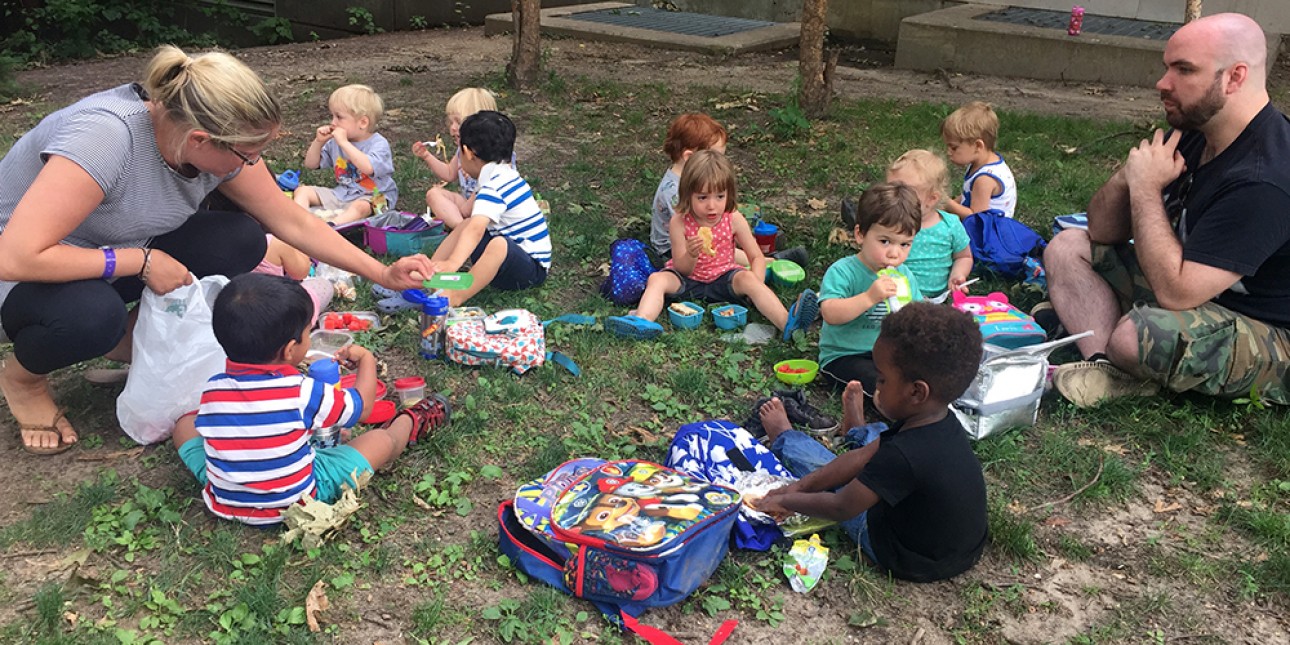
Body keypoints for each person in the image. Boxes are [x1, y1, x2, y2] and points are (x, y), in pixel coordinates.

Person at [0, 45, 432, 455]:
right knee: (92, 316)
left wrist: (381, 273)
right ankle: (25, 380)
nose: (251, 165)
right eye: (248, 155)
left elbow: (290, 219)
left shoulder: (202, 140)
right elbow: (16, 256)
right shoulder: (105, 137)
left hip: (114, 248)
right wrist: (141, 261)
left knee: (238, 238)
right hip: (26, 273)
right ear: (201, 140)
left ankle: (136, 343)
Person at [1044, 13, 1290, 408]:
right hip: (1198, 293)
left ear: (1235, 77)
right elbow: (1101, 231)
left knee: (1138, 333)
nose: (1163, 83)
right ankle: (1106, 366)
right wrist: (1129, 176)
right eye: (1166, 67)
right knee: (1067, 247)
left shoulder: (1266, 179)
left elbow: (1176, 293)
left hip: (1270, 330)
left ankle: (1113, 340)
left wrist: (1145, 189)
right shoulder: (1198, 132)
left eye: (1184, 70)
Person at [171, 273, 450, 526]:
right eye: (308, 332)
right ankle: (410, 421)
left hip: (227, 502)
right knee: (380, 441)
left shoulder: (213, 389)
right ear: (291, 349)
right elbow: (363, 407)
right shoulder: (301, 391)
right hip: (297, 500)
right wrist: (367, 359)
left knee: (185, 426)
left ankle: (235, 479)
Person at [752, 302, 988, 582]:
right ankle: (857, 429)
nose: (875, 387)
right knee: (873, 444)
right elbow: (862, 457)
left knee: (825, 466)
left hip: (907, 556)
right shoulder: (936, 420)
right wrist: (799, 486)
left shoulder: (903, 455)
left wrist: (787, 499)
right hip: (958, 547)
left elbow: (842, 506)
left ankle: (786, 439)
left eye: (882, 380)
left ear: (916, 392)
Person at [606, 150, 818, 341]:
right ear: (688, 194)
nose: (712, 205)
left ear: (729, 194)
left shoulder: (733, 218)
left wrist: (756, 282)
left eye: (720, 196)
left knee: (748, 279)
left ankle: (788, 325)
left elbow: (756, 257)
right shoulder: (680, 221)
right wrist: (691, 253)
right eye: (702, 197)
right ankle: (642, 322)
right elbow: (681, 267)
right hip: (687, 280)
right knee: (657, 279)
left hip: (724, 277)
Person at [425, 111, 550, 307]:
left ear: (467, 152)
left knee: (498, 244)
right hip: (510, 262)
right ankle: (428, 274)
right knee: (466, 225)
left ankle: (456, 296)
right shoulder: (501, 174)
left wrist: (453, 263)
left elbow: (476, 229)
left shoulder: (494, 186)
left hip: (530, 271)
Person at [651, 113, 806, 266]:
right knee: (722, 245)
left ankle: (756, 246)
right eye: (714, 156)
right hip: (675, 250)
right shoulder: (674, 192)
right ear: (689, 157)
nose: (720, 163)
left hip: (700, 231)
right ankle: (770, 261)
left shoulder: (690, 178)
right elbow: (694, 231)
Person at [818, 183, 922, 393]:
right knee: (880, 384)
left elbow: (918, 313)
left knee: (922, 373)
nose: (895, 254)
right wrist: (868, 297)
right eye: (885, 241)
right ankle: (899, 408)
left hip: (888, 354)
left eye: (905, 244)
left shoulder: (904, 275)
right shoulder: (843, 272)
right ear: (860, 234)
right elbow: (830, 313)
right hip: (846, 356)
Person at [293, 84, 398, 226]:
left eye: (339, 117)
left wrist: (344, 143)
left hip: (373, 196)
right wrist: (318, 142)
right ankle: (300, 222)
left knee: (361, 207)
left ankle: (331, 226)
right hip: (342, 194)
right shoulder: (335, 142)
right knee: (302, 191)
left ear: (363, 122)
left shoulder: (378, 144)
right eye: (332, 116)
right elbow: (311, 164)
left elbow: (368, 168)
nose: (333, 122)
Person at [886, 150, 973, 299]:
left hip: (937, 299)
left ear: (932, 199)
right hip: (894, 295)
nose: (894, 197)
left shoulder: (950, 225)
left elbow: (964, 256)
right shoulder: (887, 222)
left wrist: (957, 275)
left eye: (904, 193)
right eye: (890, 190)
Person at [413, 88, 499, 229]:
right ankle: (460, 227)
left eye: (458, 122)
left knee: (465, 208)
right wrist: (426, 156)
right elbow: (448, 174)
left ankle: (463, 230)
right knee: (433, 194)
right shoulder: (462, 151)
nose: (452, 128)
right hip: (467, 203)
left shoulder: (495, 153)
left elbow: (492, 186)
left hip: (490, 206)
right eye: (450, 122)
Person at [940, 101, 1018, 220]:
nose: (948, 152)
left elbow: (976, 217)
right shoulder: (982, 163)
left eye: (954, 147)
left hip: (987, 234)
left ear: (978, 146)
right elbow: (969, 195)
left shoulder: (984, 180)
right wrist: (944, 207)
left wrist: (947, 203)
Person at [253, 235, 333, 324]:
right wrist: (300, 245)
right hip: (280, 315)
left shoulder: (236, 247)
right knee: (323, 285)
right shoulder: (274, 243)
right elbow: (301, 272)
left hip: (244, 318)